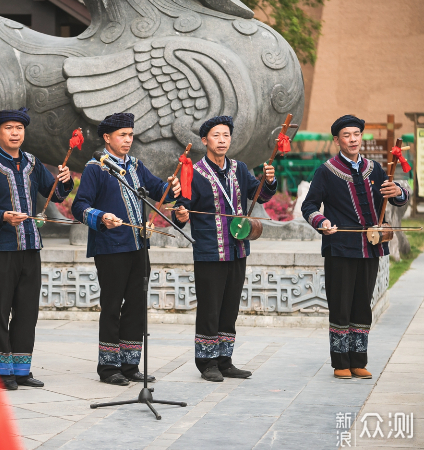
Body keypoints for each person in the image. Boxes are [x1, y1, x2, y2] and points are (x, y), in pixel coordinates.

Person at [0, 108, 73, 390]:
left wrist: (64, 180)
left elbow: (55, 194)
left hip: (30, 244)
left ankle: (22, 369)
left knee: (27, 310)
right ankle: (1, 372)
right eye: (9, 128)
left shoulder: (33, 163)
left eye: (19, 128)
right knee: (1, 310)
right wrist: (2, 216)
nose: (15, 133)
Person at [71, 112, 181, 386]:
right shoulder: (95, 168)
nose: (128, 140)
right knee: (112, 306)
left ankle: (130, 364)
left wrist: (173, 187)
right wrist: (101, 217)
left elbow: (159, 191)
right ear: (107, 138)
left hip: (138, 246)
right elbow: (79, 205)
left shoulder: (136, 166)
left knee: (136, 305)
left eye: (131, 135)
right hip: (110, 248)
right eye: (123, 135)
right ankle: (109, 368)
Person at [301, 115, 409, 380]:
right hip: (340, 248)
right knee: (341, 305)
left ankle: (359, 360)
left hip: (370, 248)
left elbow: (395, 199)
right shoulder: (326, 171)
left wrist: (398, 192)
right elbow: (309, 207)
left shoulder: (376, 169)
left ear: (361, 137)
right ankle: (340, 362)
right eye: (346, 135)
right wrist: (322, 221)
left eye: (356, 134)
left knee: (362, 304)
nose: (352, 139)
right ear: (337, 140)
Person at [172, 115, 277, 382]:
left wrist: (269, 181)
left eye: (226, 135)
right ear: (205, 141)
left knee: (230, 306)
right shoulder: (193, 172)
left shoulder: (240, 169)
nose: (222, 140)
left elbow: (259, 195)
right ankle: (207, 363)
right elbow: (181, 209)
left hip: (238, 248)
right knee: (210, 307)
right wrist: (181, 216)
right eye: (216, 136)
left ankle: (225, 360)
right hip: (209, 251)